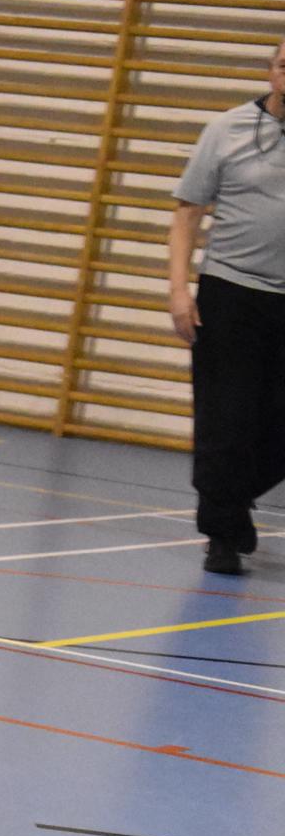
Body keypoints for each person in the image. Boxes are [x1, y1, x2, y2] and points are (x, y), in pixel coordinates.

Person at [169, 35, 285, 577]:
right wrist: (178, 290)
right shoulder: (227, 130)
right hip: (231, 293)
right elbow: (187, 212)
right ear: (271, 70)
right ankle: (221, 532)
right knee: (226, 421)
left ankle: (233, 500)